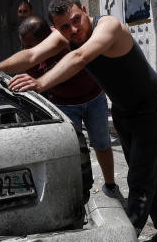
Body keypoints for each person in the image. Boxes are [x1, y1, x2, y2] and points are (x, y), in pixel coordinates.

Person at [0, 0, 157, 242]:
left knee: (140, 179)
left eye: (76, 20)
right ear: (55, 29)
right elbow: (32, 54)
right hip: (124, 109)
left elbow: (81, 57)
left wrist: (40, 83)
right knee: (150, 173)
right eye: (64, 27)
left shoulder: (108, 26)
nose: (73, 29)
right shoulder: (66, 37)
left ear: (84, 10)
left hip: (150, 107)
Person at [18, 15, 121, 200]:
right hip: (63, 106)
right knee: (71, 152)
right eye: (24, 45)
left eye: (30, 45)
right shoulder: (32, 59)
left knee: (102, 145)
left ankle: (111, 185)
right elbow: (35, 84)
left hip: (94, 98)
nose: (27, 50)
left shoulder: (64, 40)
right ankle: (75, 194)